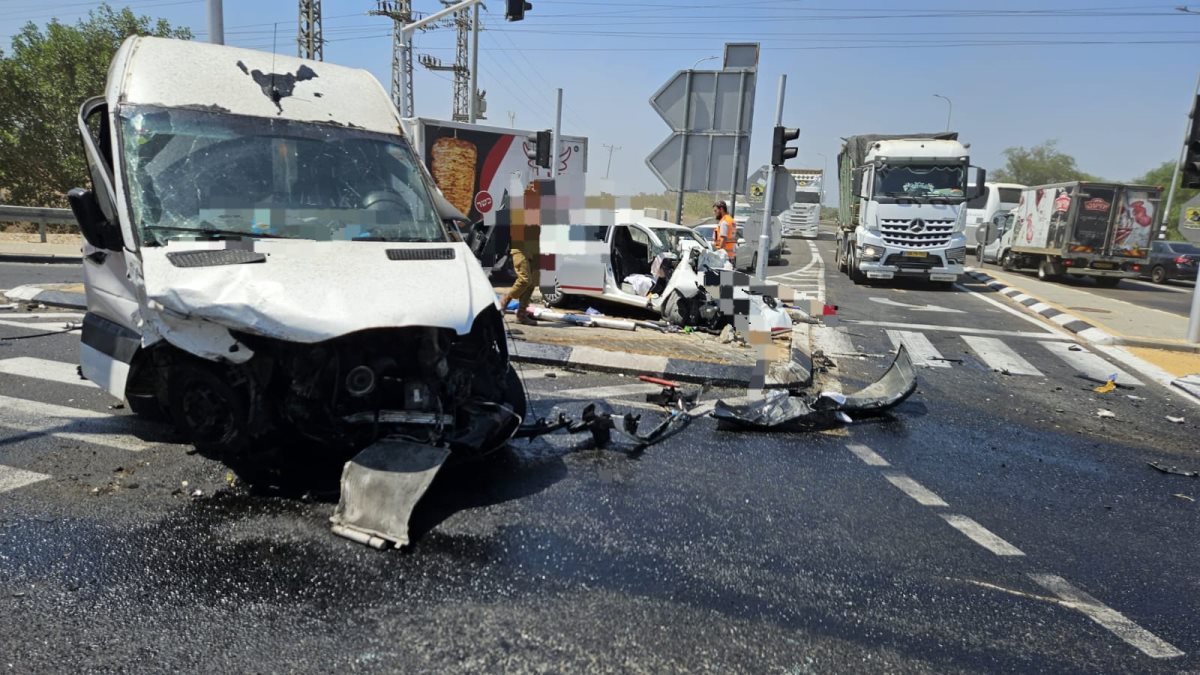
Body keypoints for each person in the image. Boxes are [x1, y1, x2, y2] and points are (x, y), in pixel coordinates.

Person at [498, 182, 542, 326]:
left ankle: (521, 314)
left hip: (535, 248)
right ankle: (506, 299)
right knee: (524, 280)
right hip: (521, 248)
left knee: (532, 283)